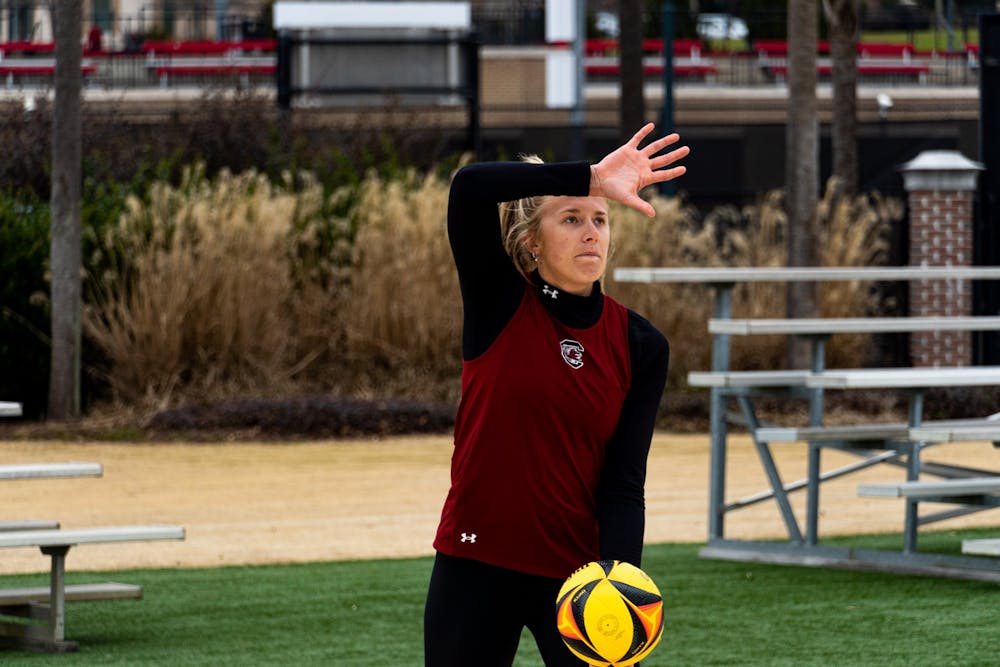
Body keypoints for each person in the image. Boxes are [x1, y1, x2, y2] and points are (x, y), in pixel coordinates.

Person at [424, 123, 690, 666]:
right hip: (476, 564)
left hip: (579, 584)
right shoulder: (498, 302)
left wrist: (620, 582)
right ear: (532, 243)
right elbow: (468, 188)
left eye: (599, 219)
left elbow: (622, 484)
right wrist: (591, 178)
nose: (591, 231)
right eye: (571, 219)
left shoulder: (642, 346)